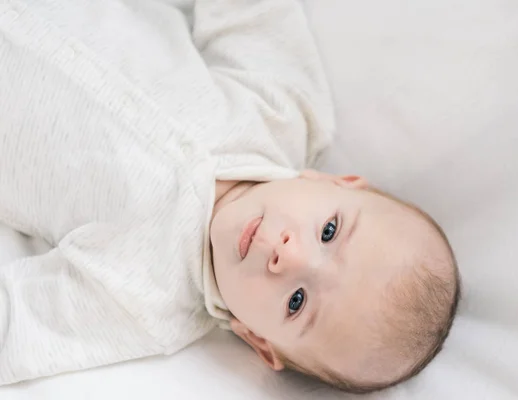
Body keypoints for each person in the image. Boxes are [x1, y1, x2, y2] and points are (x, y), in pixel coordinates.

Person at [0, 0, 460, 393]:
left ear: (259, 340)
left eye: (296, 301)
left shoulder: (143, 299)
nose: (289, 255)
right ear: (336, 182)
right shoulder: (281, 109)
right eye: (329, 231)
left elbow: (17, 324)